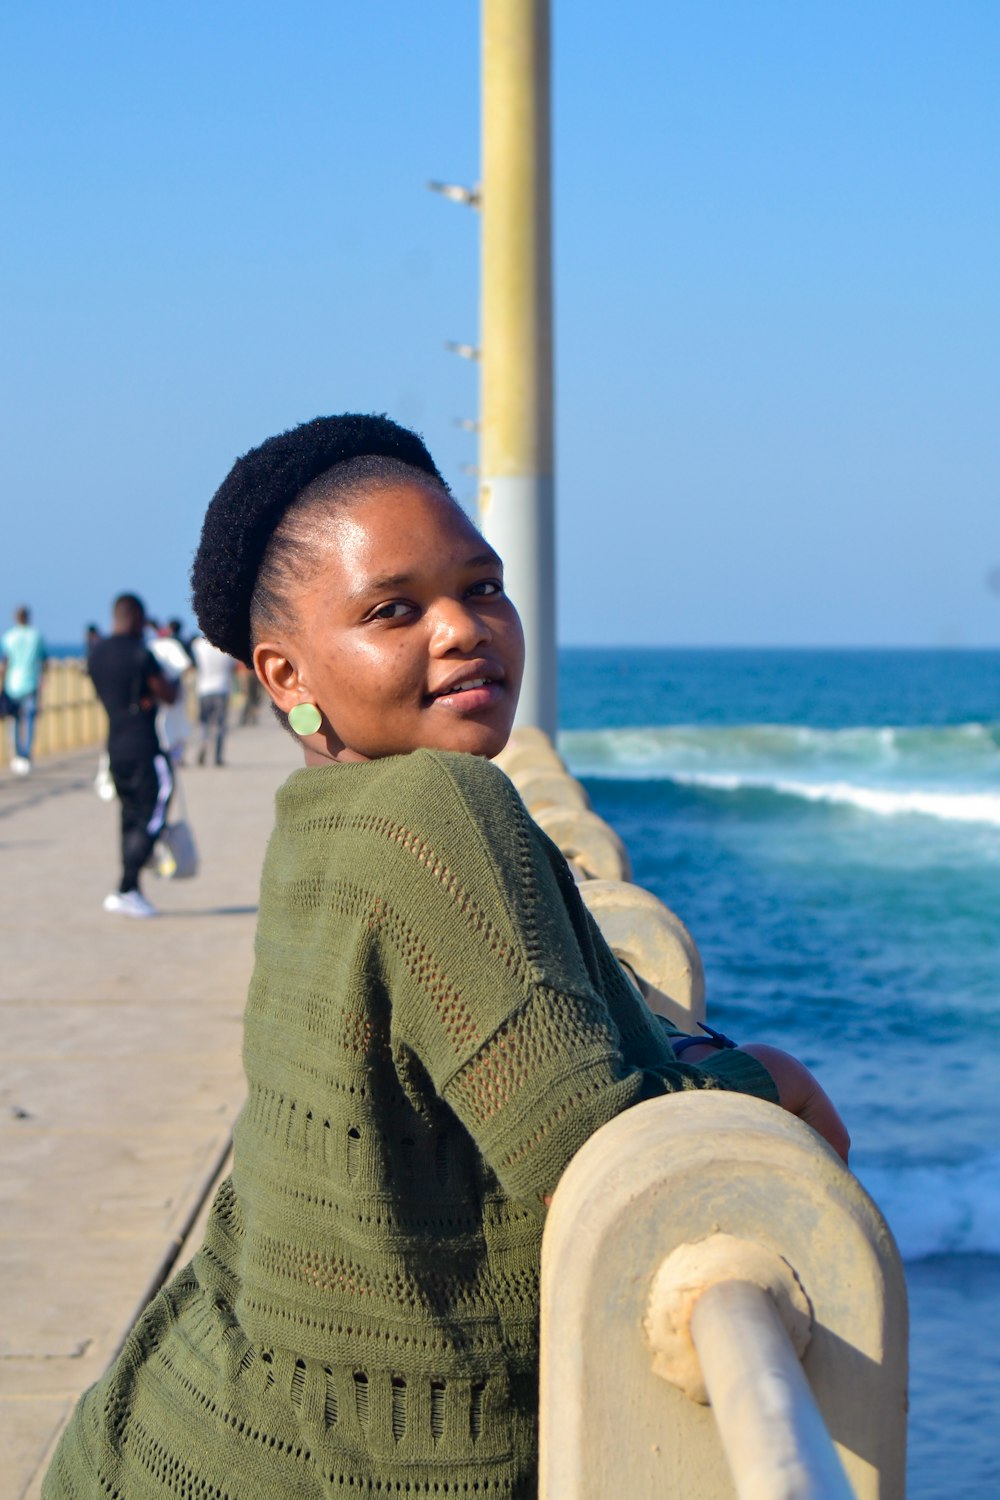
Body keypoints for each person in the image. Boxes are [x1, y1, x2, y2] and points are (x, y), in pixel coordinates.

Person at [43, 414, 847, 1499]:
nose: (464, 630)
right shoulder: (438, 803)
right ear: (284, 676)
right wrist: (768, 1080)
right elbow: (599, 1165)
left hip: (187, 1426)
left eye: (483, 587)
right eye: (393, 610)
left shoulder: (324, 813)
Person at [87, 593, 178, 918]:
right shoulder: (142, 653)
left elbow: (107, 694)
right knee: (153, 814)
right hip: (144, 746)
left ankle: (132, 890)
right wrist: (168, 685)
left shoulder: (96, 654)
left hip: (115, 746)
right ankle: (125, 887)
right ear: (137, 617)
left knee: (129, 817)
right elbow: (168, 694)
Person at [1, 605, 48, 775]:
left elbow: (5, 661)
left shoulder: (9, 636)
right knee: (28, 721)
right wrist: (43, 679)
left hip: (12, 683)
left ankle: (16, 755)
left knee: (13, 721)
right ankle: (26, 756)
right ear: (28, 617)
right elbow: (43, 659)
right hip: (31, 682)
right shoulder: (36, 636)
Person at [149, 622, 194, 766]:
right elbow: (185, 665)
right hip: (173, 692)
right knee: (177, 724)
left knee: (161, 723)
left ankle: (165, 755)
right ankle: (175, 756)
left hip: (156, 693)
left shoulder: (151, 646)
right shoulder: (171, 645)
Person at [191, 631, 235, 764]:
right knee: (219, 725)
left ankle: (203, 743)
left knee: (204, 722)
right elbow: (232, 666)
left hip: (203, 688)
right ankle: (217, 756)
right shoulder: (226, 647)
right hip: (221, 688)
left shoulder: (197, 645)